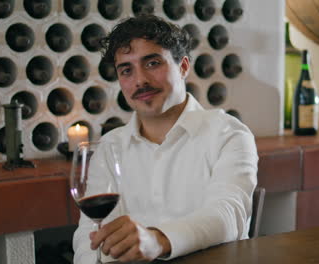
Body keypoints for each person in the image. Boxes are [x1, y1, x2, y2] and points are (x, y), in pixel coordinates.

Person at [73, 15, 258, 263]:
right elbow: (89, 233)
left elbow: (227, 215)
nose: (140, 80)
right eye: (126, 70)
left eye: (152, 63)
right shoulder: (109, 146)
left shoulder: (229, 134)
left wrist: (156, 240)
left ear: (183, 67)